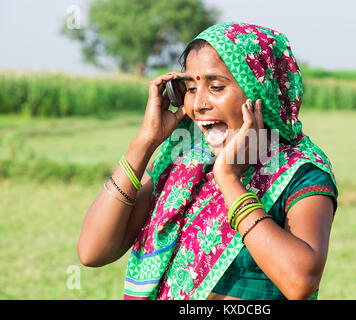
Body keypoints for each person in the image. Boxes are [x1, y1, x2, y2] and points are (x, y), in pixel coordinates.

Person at [77, 22, 338, 300]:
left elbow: (301, 281)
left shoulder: (300, 171)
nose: (198, 104)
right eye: (190, 88)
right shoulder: (184, 163)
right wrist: (144, 143)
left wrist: (228, 179)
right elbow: (93, 251)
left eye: (215, 87)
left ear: (259, 91)